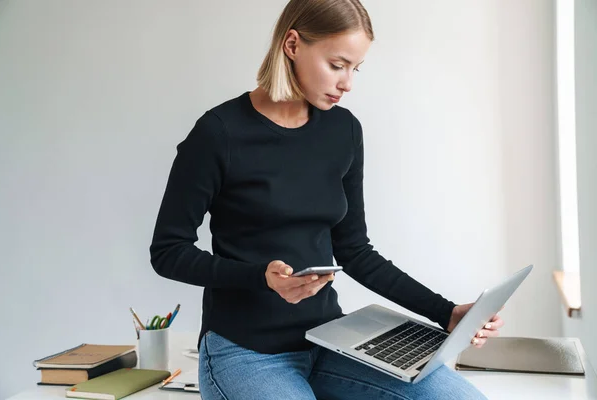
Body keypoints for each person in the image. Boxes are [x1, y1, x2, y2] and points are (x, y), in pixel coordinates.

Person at [150, 0, 502, 398]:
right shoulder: (218, 133)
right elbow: (168, 251)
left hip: (329, 340)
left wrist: (446, 312)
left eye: (356, 68)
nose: (347, 83)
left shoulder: (343, 130)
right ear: (293, 45)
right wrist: (260, 277)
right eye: (337, 65)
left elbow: (355, 250)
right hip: (246, 352)